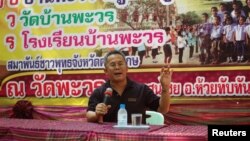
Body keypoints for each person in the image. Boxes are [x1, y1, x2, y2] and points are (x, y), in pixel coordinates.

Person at [86, 50, 172, 123]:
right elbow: (89, 115)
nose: (117, 67)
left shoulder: (141, 89)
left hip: (137, 136)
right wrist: (96, 114)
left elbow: (163, 109)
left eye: (120, 64)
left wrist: (165, 88)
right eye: (112, 65)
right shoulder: (100, 92)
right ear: (106, 71)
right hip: (109, 137)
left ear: (127, 68)